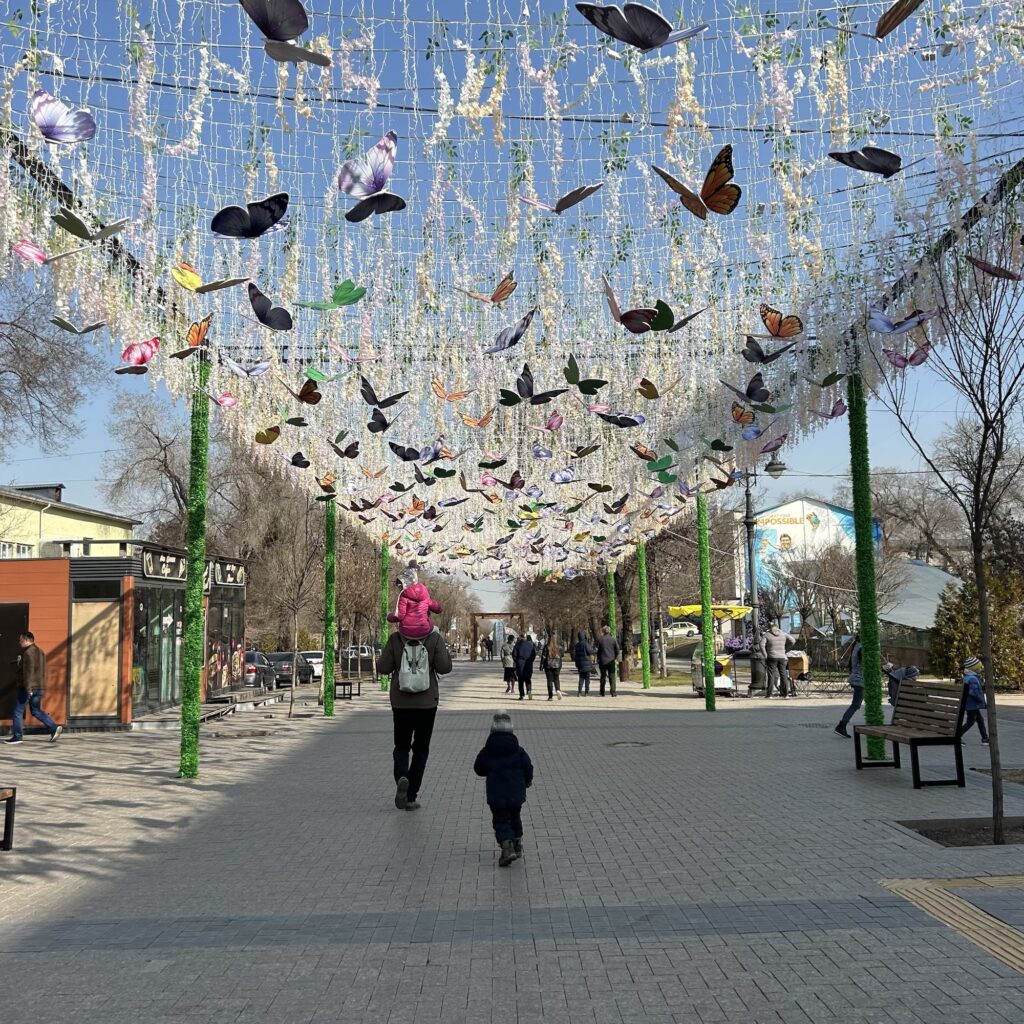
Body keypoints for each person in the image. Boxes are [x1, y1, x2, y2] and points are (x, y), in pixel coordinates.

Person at [377, 619, 453, 811]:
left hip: (401, 702)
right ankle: (411, 796)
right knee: (421, 749)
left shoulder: (395, 639)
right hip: (427, 703)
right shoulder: (434, 638)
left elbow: (383, 668)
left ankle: (402, 776)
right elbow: (445, 667)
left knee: (401, 746)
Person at [473, 710, 534, 867]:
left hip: (497, 795)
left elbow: (478, 768)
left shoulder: (488, 751)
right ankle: (517, 844)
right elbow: (528, 767)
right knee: (515, 817)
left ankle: (507, 847)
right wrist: (527, 781)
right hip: (516, 793)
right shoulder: (519, 751)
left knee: (501, 820)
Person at [6, 631, 61, 745]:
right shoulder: (40, 652)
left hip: (28, 687)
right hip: (39, 686)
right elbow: (40, 670)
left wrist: (28, 689)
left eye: (21, 640)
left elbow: (28, 672)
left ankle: (17, 737)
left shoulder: (28, 653)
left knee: (17, 711)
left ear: (27, 640)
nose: (19, 643)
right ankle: (53, 727)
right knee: (36, 710)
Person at [386, 565, 442, 640]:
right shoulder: (424, 594)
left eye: (400, 586)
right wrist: (439, 608)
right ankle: (441, 652)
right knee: (436, 631)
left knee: (393, 640)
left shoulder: (403, 596)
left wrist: (389, 617)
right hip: (424, 631)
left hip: (406, 632)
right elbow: (437, 608)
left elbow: (399, 616)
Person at [835, 635, 863, 737]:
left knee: (856, 704)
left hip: (857, 678)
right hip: (860, 680)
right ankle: (841, 725)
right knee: (856, 704)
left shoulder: (857, 645)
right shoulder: (861, 648)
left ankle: (842, 725)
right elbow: (864, 663)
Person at [760, 622, 796, 698]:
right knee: (783, 675)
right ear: (777, 626)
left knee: (771, 675)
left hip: (771, 657)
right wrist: (786, 649)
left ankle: (769, 694)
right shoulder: (783, 633)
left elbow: (761, 645)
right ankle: (786, 694)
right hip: (782, 657)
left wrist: (765, 655)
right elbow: (793, 640)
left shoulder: (767, 635)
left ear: (769, 627)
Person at [959, 656, 989, 744]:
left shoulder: (967, 677)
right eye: (979, 667)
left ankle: (984, 738)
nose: (981, 669)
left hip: (971, 705)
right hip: (972, 705)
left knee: (980, 720)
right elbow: (975, 693)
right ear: (974, 668)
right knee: (970, 722)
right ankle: (957, 736)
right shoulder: (972, 679)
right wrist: (982, 702)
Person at [596, 624, 621, 697]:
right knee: (612, 677)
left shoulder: (601, 640)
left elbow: (599, 651)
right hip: (611, 661)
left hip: (603, 661)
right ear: (609, 631)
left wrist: (598, 658)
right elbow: (617, 650)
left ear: (603, 631)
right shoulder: (613, 639)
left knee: (603, 676)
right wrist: (615, 657)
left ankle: (602, 692)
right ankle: (613, 692)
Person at [513, 633, 536, 700]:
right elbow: (533, 654)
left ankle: (522, 695)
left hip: (520, 663)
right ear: (525, 637)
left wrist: (517, 661)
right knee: (528, 679)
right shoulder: (530, 645)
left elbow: (514, 654)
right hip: (528, 663)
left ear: (520, 637)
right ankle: (529, 690)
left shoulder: (517, 645)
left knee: (520, 680)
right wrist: (531, 660)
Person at [574, 630, 596, 696]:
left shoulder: (577, 645)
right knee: (587, 678)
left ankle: (579, 691)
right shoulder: (585, 644)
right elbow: (589, 651)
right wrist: (595, 650)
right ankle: (586, 691)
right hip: (586, 664)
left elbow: (576, 655)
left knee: (581, 678)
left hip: (580, 664)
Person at [540, 635, 563, 700]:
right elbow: (562, 655)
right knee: (556, 679)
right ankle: (558, 690)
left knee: (549, 680)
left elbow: (543, 657)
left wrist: (541, 665)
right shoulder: (559, 647)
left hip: (548, 665)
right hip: (557, 665)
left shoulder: (546, 647)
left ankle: (550, 696)